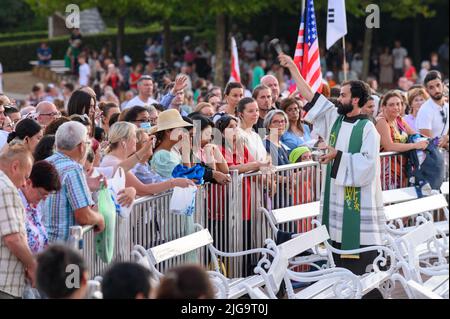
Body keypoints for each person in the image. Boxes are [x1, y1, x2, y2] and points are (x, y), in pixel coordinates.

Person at [279, 53, 387, 295]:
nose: (339, 98)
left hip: (358, 212)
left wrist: (338, 156)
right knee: (338, 262)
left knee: (363, 273)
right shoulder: (335, 119)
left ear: (356, 100)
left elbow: (368, 164)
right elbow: (310, 96)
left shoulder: (367, 127)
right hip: (335, 202)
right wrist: (293, 69)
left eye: (344, 95)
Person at [43, 121, 105, 243]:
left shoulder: (45, 162)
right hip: (63, 249)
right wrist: (100, 219)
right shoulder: (73, 169)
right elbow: (83, 215)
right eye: (87, 143)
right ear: (81, 146)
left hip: (44, 245)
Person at [101, 121, 193, 196]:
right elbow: (143, 189)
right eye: (133, 136)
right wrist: (174, 182)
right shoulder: (113, 162)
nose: (136, 141)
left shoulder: (117, 161)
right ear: (123, 141)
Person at [0, 145, 35, 299]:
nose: (24, 184)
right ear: (15, 167)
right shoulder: (6, 187)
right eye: (26, 177)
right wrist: (33, 265)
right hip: (5, 282)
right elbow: (13, 238)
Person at [376, 91, 428, 189]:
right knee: (390, 201)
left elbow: (415, 134)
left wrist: (432, 141)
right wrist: (414, 145)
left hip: (401, 168)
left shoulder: (399, 119)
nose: (396, 107)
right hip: (387, 170)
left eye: (398, 104)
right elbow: (389, 146)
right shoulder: (382, 122)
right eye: (391, 105)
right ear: (383, 107)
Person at [19, 161, 61, 254]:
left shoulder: (34, 206)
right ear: (29, 183)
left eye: (46, 196)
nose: (43, 199)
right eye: (41, 194)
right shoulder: (15, 202)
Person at [416, 71, 449, 144]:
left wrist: (447, 138)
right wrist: (446, 144)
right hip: (428, 154)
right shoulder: (425, 110)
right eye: (431, 87)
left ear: (443, 85)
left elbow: (446, 136)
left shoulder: (447, 107)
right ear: (427, 91)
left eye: (438, 85)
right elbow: (428, 141)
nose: (436, 90)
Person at [237, 97, 269, 162]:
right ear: (241, 114)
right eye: (250, 111)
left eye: (257, 110)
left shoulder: (256, 136)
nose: (255, 114)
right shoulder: (237, 134)